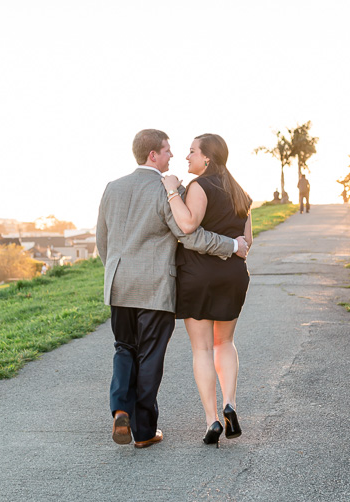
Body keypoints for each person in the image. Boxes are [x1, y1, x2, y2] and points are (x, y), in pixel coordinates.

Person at [97, 129, 248, 449]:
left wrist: (115, 270)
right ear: (154, 155)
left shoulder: (113, 187)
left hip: (119, 283)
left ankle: (121, 409)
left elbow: (103, 241)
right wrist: (232, 244)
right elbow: (190, 235)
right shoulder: (170, 190)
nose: (174, 156)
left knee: (124, 349)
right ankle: (144, 430)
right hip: (157, 287)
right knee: (151, 355)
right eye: (168, 151)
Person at [161, 133, 252, 448]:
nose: (187, 158)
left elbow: (188, 225)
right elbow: (246, 243)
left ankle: (212, 419)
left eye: (191, 152)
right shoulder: (239, 192)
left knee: (202, 349)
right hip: (233, 276)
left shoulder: (199, 187)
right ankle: (230, 404)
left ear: (208, 158)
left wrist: (173, 190)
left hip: (199, 276)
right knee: (225, 342)